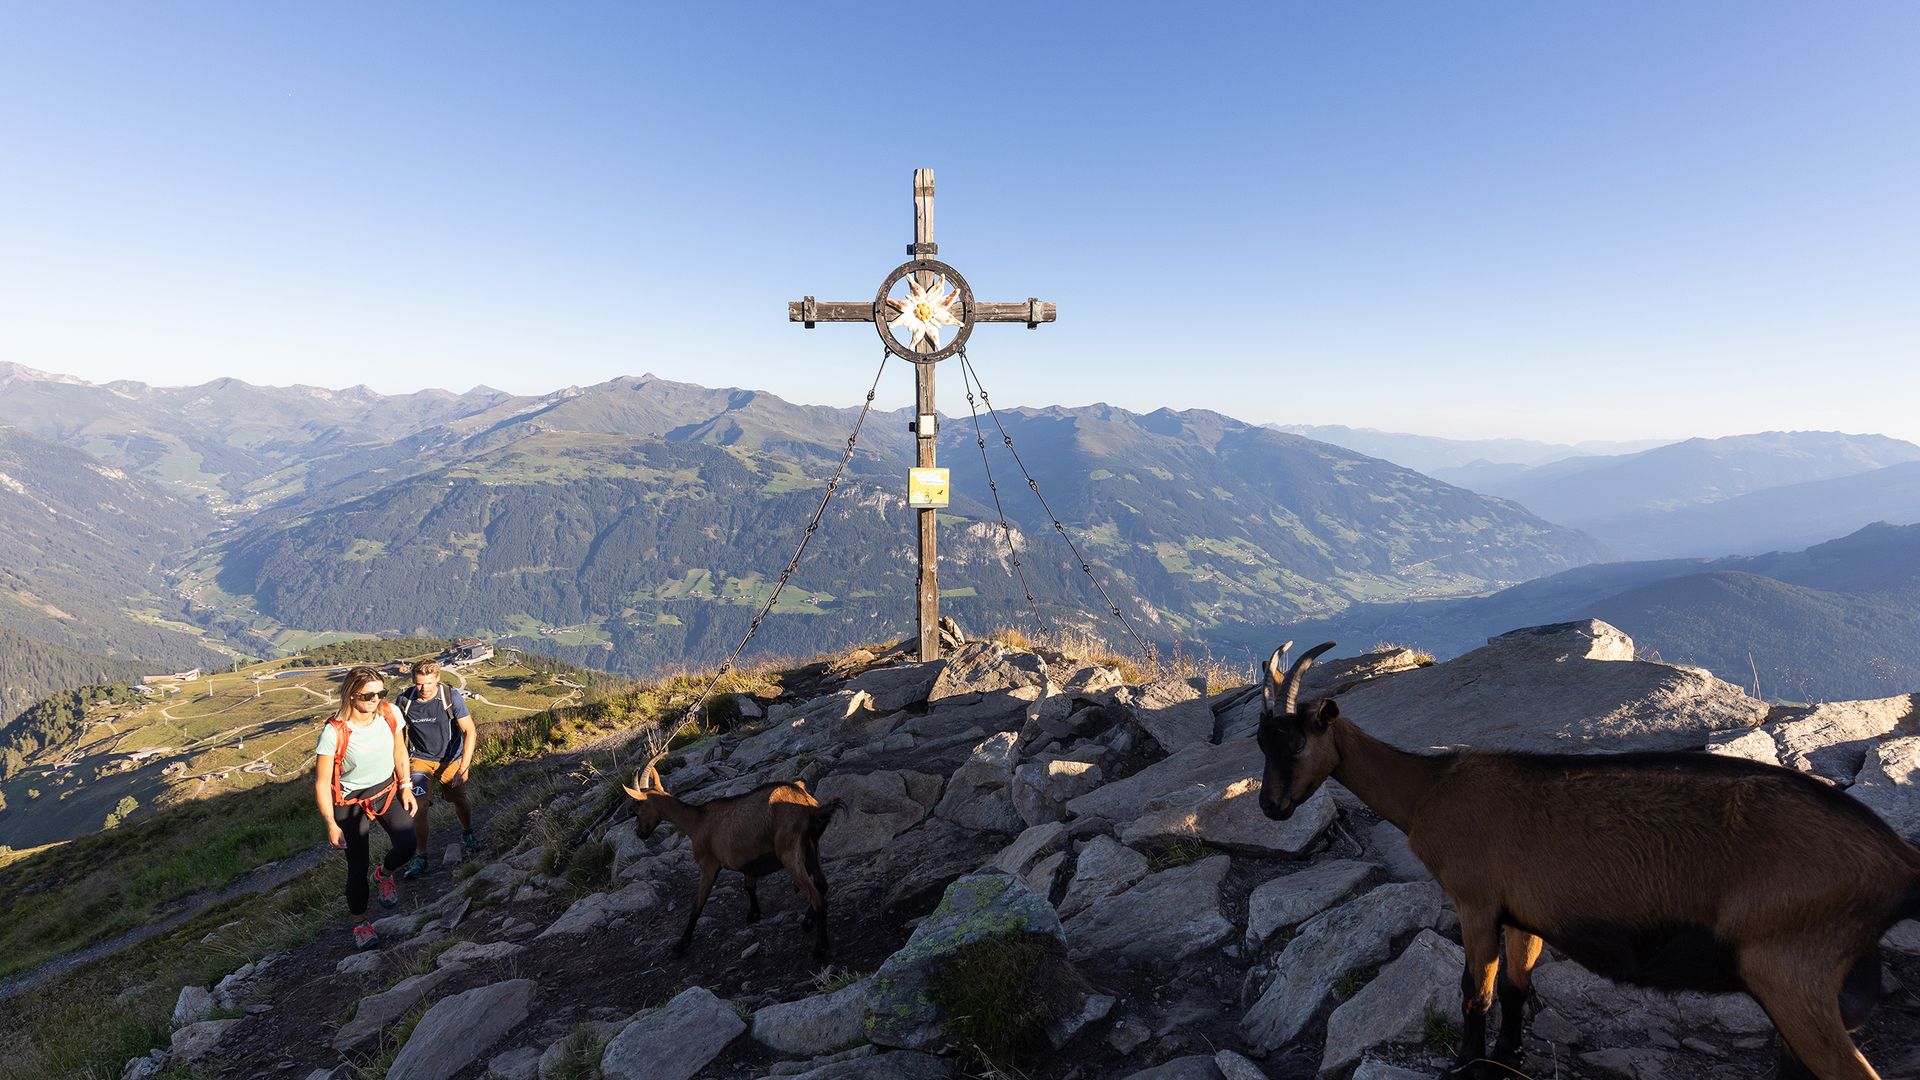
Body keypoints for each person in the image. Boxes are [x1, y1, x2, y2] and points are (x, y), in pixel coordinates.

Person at [314, 666, 417, 949]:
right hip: (350, 803)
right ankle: (360, 923)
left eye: (380, 693)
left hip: (386, 790)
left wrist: (406, 785)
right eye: (368, 695)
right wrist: (331, 824)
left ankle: (384, 874)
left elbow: (399, 749)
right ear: (350, 695)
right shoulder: (333, 733)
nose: (375, 700)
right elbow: (322, 783)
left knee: (408, 844)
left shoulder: (389, 713)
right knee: (356, 866)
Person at [396, 658, 481, 879]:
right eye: (418, 684)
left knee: (458, 799)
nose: (423, 689)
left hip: (450, 759)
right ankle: (421, 857)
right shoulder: (404, 701)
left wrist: (464, 767)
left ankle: (467, 832)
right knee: (419, 807)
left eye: (428, 684)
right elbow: (399, 741)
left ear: (438, 679)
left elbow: (469, 731)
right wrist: (402, 774)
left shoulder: (450, 697)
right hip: (420, 760)